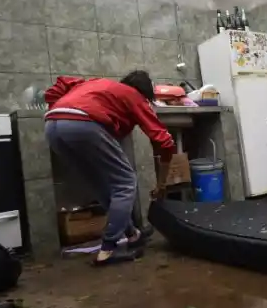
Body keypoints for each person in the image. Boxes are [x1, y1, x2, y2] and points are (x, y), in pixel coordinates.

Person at [44, 70, 176, 265]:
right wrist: (162, 183)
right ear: (145, 92)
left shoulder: (98, 85)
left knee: (99, 184)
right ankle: (108, 250)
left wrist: (57, 106)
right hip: (82, 124)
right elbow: (164, 142)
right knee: (125, 182)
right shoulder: (134, 96)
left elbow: (61, 84)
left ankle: (132, 234)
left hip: (52, 126)